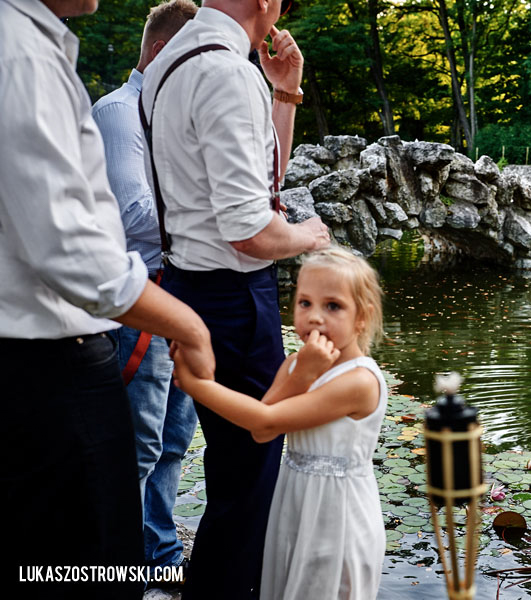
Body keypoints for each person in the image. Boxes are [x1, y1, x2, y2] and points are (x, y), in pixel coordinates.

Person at [0, 1, 214, 598]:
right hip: (55, 352)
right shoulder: (22, 55)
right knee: (91, 560)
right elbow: (77, 243)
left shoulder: (38, 47)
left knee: (162, 455)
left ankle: (162, 554)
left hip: (83, 331)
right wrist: (190, 322)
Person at [139, 2, 331, 597]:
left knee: (235, 475)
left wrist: (285, 95)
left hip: (189, 284)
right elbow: (252, 229)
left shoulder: (173, 58)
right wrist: (312, 236)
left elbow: (256, 182)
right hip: (232, 297)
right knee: (252, 481)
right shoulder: (224, 70)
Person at [173, 246, 387, 600]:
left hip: (338, 513)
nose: (315, 317)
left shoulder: (359, 381)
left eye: (332, 306)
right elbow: (261, 432)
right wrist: (300, 372)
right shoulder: (296, 365)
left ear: (361, 317)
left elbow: (266, 417)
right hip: (293, 503)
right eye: (305, 303)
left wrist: (198, 386)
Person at [91, 0, 198, 583]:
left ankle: (159, 554)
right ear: (159, 52)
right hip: (138, 300)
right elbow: (135, 216)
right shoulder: (118, 114)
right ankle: (114, 566)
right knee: (136, 444)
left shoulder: (169, 115)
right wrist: (220, 225)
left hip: (182, 294)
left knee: (176, 438)